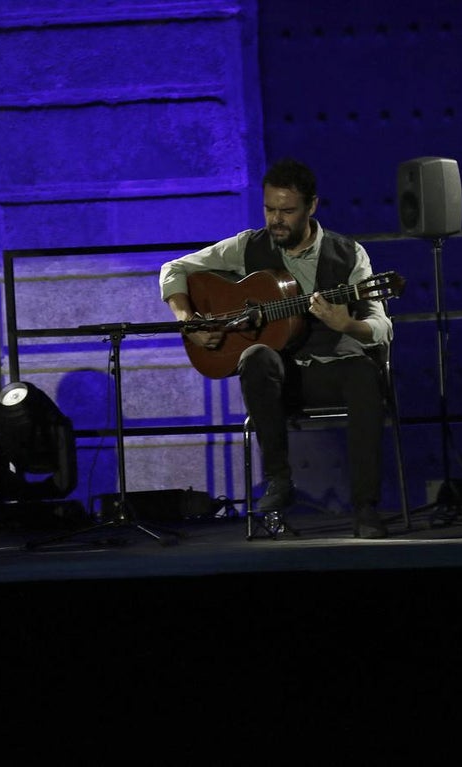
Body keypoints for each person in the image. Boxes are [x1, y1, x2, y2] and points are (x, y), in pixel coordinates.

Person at [158, 158, 393, 538]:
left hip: (330, 371)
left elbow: (382, 326)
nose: (276, 220)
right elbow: (173, 269)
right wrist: (189, 321)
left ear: (312, 206)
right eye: (270, 210)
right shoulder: (248, 246)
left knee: (366, 375)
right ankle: (279, 481)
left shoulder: (349, 254)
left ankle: (365, 507)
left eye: (287, 211)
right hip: (276, 379)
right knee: (255, 356)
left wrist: (348, 325)